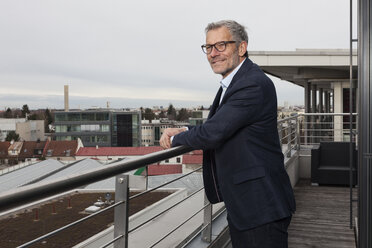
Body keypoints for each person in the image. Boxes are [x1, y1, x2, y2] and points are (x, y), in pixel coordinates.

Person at [160, 20, 295, 248]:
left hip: (260, 206)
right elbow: (224, 124)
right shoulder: (236, 81)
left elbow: (214, 132)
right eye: (208, 47)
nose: (213, 53)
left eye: (221, 45)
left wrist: (173, 139)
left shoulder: (252, 84)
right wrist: (184, 129)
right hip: (248, 203)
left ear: (241, 48)